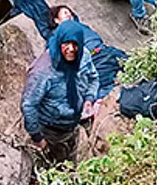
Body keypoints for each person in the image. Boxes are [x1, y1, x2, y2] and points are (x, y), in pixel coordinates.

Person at [21, 21, 99, 163]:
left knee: (71, 160)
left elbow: (94, 78)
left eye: (75, 44)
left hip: (74, 122)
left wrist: (89, 98)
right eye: (66, 44)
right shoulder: (43, 71)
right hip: (50, 128)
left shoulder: (84, 56)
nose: (71, 49)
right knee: (54, 165)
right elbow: (29, 105)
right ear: (59, 42)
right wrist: (37, 138)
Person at [49, 5, 127, 100]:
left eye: (70, 12)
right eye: (65, 13)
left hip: (108, 51)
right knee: (106, 91)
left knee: (136, 65)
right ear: (56, 20)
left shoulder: (81, 26)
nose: (69, 14)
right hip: (96, 59)